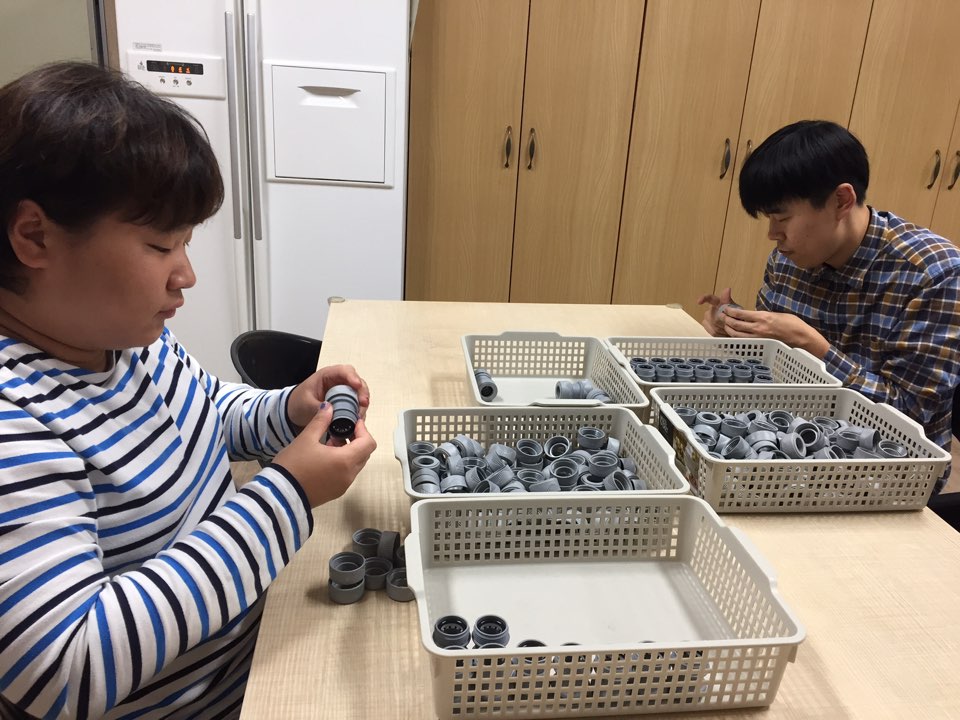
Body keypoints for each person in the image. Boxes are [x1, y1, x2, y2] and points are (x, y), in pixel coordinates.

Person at [0, 62, 377, 718]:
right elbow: (64, 670)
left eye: (186, 244)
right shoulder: (15, 423)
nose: (187, 275)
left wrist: (288, 409)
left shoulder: (124, 339)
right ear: (35, 237)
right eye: (158, 247)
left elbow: (204, 412)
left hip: (255, 652)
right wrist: (286, 494)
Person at [699, 119, 960, 492]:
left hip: (891, 476)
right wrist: (735, 327)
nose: (773, 234)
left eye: (782, 218)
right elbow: (771, 365)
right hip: (793, 445)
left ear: (841, 201)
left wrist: (814, 347)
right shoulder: (789, 258)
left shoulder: (934, 274)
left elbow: (909, 417)